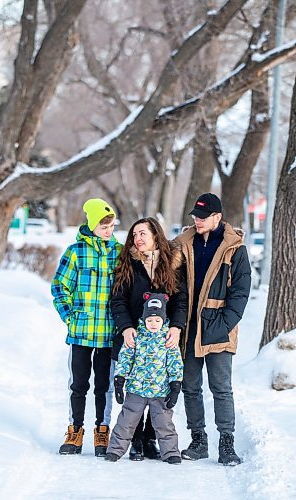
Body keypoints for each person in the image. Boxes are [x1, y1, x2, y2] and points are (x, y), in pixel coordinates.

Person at [175, 193, 251, 466]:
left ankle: (227, 443)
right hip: (189, 328)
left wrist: (223, 325)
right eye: (195, 216)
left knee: (221, 388)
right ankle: (198, 440)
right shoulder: (183, 245)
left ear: (218, 217)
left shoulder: (235, 248)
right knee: (190, 387)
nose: (197, 220)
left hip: (219, 329)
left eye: (203, 217)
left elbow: (240, 293)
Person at [110, 217, 187, 460]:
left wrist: (176, 327)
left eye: (142, 233)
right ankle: (135, 440)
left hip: (163, 337)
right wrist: (125, 328)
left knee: (158, 390)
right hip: (134, 336)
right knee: (135, 393)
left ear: (156, 235)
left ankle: (150, 439)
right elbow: (118, 299)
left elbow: (180, 300)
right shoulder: (128, 263)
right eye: (134, 235)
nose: (138, 239)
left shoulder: (172, 263)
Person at [51, 198, 122, 456]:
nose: (109, 231)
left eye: (112, 226)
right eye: (104, 226)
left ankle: (102, 431)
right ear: (92, 225)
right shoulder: (76, 251)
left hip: (108, 333)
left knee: (104, 385)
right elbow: (60, 286)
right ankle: (75, 431)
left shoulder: (119, 252)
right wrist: (69, 316)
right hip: (80, 332)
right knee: (79, 384)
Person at [105, 293, 183, 464]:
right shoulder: (135, 337)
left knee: (164, 424)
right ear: (144, 319)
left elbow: (175, 363)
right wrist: (119, 380)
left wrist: (176, 385)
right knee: (126, 422)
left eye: (157, 321)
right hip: (136, 390)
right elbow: (125, 358)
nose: (153, 324)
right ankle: (115, 450)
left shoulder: (168, 339)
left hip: (160, 391)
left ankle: (170, 452)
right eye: (149, 320)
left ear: (163, 320)